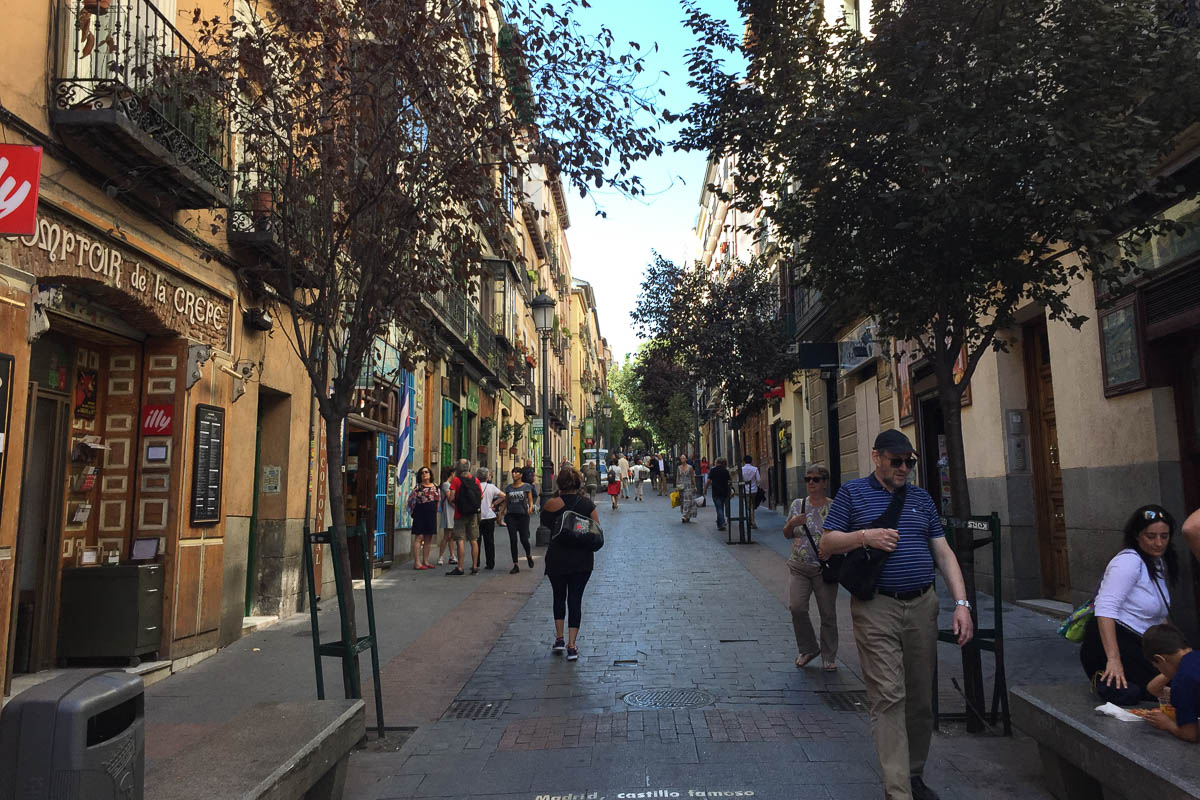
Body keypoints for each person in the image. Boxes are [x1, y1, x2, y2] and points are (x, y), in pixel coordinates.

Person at [819, 429, 974, 800]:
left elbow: (943, 553)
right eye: (896, 461)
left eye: (910, 462)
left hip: (922, 605)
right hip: (876, 607)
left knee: (920, 699)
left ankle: (914, 774)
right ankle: (897, 789)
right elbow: (826, 544)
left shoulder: (921, 499)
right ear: (877, 457)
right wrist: (864, 537)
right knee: (889, 696)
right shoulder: (852, 493)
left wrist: (962, 604)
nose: (904, 468)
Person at [1081, 505, 1177, 705]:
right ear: (1137, 535)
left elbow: (1159, 614)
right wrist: (1114, 660)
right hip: (1114, 642)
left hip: (1144, 643)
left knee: (1183, 681)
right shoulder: (1127, 563)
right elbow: (1105, 609)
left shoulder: (1157, 562)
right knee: (1152, 691)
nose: (1159, 543)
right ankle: (1103, 677)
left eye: (1164, 536)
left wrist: (1178, 650)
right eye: (1151, 536)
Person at [541, 464, 600, 661]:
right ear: (577, 483)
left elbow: (545, 524)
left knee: (558, 597)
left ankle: (559, 638)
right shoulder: (587, 505)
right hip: (581, 560)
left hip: (556, 557)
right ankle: (572, 645)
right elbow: (596, 531)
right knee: (575, 600)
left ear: (560, 483)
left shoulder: (551, 503)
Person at [783, 463, 838, 670]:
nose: (811, 483)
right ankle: (808, 648)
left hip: (824, 568)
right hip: (799, 566)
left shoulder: (833, 507)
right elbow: (786, 534)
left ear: (825, 482)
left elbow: (841, 536)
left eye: (815, 479)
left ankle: (829, 655)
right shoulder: (798, 505)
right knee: (796, 607)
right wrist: (792, 523)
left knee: (827, 613)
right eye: (808, 479)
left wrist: (832, 549)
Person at [1141, 623, 1199, 742]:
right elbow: (1153, 688)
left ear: (1160, 659)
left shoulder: (1182, 681)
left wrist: (1167, 724)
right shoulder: (1194, 660)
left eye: (1157, 667)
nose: (1160, 671)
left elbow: (1190, 734)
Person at [446, 459, 482, 575]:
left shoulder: (456, 480)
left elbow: (451, 497)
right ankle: (475, 566)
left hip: (459, 514)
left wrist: (457, 503)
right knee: (473, 540)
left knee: (460, 540)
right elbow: (481, 496)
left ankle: (460, 567)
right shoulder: (475, 480)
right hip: (473, 514)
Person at [501, 466, 536, 573]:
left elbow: (530, 499)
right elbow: (506, 502)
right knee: (513, 540)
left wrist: (530, 507)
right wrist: (500, 513)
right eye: (513, 472)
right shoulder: (508, 488)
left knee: (524, 539)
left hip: (523, 516)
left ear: (521, 475)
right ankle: (515, 564)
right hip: (511, 516)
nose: (514, 474)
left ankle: (528, 555)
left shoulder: (526, 487)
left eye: (516, 472)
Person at [406, 466, 440, 570]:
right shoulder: (418, 488)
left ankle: (426, 561)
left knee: (428, 538)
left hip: (431, 514)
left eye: (426, 472)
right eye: (422, 473)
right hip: (420, 513)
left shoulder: (435, 486)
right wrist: (413, 512)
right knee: (419, 537)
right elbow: (410, 501)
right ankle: (417, 562)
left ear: (430, 474)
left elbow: (438, 501)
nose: (424, 474)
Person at [477, 468, 504, 571]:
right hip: (489, 516)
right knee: (489, 541)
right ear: (487, 477)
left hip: (478, 516)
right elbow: (504, 496)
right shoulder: (491, 487)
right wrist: (494, 504)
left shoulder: (476, 485)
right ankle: (490, 563)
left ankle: (476, 562)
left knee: (476, 541)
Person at [436, 466, 457, 566]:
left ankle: (452, 555)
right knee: (447, 535)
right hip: (449, 511)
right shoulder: (446, 485)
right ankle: (440, 556)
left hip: (450, 511)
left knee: (451, 535)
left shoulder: (447, 484)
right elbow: (450, 498)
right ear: (451, 474)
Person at [706, 457, 732, 531]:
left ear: (716, 462)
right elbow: (730, 481)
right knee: (721, 507)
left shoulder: (713, 470)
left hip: (716, 492)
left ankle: (722, 521)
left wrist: (704, 490)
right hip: (725, 492)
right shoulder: (726, 471)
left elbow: (708, 481)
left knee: (719, 508)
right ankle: (720, 525)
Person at [741, 455, 762, 529]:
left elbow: (740, 480)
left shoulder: (741, 469)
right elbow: (758, 479)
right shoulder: (755, 469)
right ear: (751, 461)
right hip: (754, 490)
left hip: (746, 490)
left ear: (744, 461)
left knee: (749, 506)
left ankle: (752, 521)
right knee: (752, 506)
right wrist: (757, 485)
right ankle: (752, 520)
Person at [677, 454, 697, 523]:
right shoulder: (679, 467)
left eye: (683, 458)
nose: (682, 459)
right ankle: (687, 516)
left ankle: (684, 515)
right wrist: (677, 486)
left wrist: (695, 486)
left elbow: (693, 477)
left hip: (688, 486)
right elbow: (678, 477)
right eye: (681, 458)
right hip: (681, 486)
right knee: (682, 501)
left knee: (687, 501)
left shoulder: (690, 467)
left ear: (686, 459)